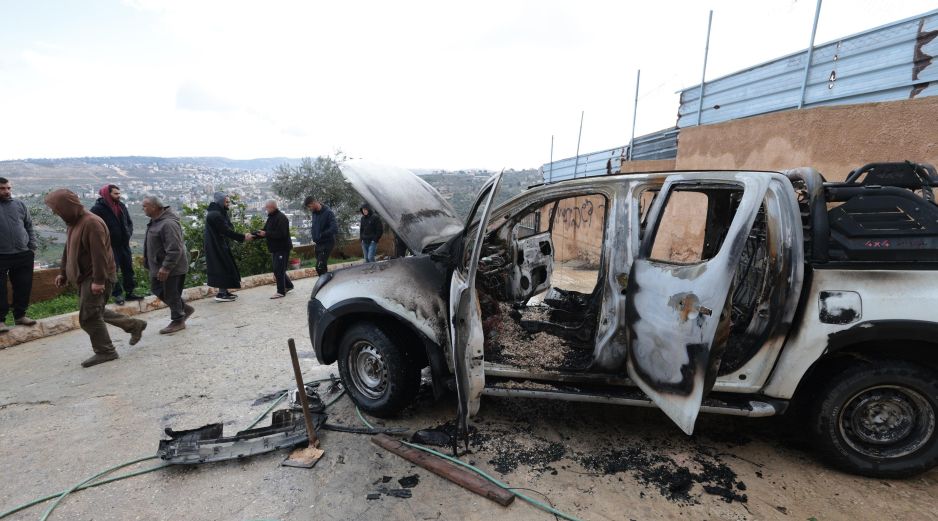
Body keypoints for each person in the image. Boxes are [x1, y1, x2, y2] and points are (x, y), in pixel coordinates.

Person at [45, 189, 147, 368]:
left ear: (67, 206)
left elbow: (100, 256)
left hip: (96, 277)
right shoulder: (74, 222)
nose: (55, 213)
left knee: (88, 317)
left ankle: (106, 351)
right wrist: (63, 272)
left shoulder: (91, 223)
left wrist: (99, 281)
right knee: (95, 311)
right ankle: (134, 325)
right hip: (84, 277)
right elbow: (68, 249)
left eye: (57, 209)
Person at [142, 195, 193, 334]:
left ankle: (178, 320)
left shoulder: (168, 224)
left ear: (154, 207)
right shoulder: (155, 221)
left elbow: (175, 248)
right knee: (157, 288)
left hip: (172, 267)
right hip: (158, 266)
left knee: (171, 293)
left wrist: (166, 267)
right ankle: (184, 309)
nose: (143, 208)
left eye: (145, 206)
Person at [90, 184, 141, 305]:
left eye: (119, 193)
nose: (119, 196)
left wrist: (128, 233)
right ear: (108, 194)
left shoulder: (121, 206)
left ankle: (130, 292)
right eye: (116, 193)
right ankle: (117, 294)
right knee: (113, 270)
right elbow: (94, 227)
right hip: (110, 246)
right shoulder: (97, 209)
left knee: (128, 268)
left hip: (124, 244)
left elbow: (129, 222)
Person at [0, 177, 38, 333]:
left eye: (8, 188)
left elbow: (29, 225)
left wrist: (32, 247)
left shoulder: (19, 205)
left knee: (23, 286)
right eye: (2, 188)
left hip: (23, 253)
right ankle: (0, 321)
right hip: (1, 255)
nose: (7, 191)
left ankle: (20, 315)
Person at [204, 192, 252, 302]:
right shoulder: (215, 215)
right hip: (216, 246)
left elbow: (227, 228)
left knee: (226, 266)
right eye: (226, 201)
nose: (228, 203)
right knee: (222, 267)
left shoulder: (218, 212)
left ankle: (224, 291)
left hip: (219, 244)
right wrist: (243, 237)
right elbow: (226, 231)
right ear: (221, 202)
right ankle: (221, 294)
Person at [256, 200, 294, 298]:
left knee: (279, 270)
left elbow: (282, 234)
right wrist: (255, 235)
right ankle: (289, 285)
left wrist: (266, 234)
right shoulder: (271, 217)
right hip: (275, 249)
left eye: (267, 207)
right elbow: (265, 231)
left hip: (282, 248)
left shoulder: (281, 218)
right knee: (278, 269)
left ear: (273, 207)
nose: (266, 209)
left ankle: (281, 292)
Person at [303, 195, 337, 276]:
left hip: (327, 243)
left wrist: (321, 235)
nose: (309, 209)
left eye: (309, 206)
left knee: (319, 267)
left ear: (314, 203)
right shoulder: (314, 213)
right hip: (318, 244)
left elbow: (334, 229)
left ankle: (325, 284)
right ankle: (326, 285)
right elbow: (315, 227)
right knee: (322, 267)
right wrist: (315, 236)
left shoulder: (328, 213)